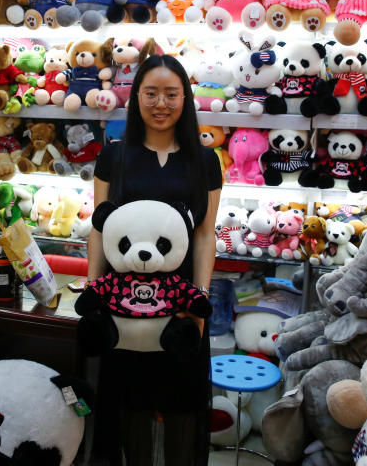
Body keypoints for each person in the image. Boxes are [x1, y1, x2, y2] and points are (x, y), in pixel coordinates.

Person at [88, 53, 222, 466]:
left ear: (185, 98)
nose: (160, 103)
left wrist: (199, 302)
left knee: (184, 404)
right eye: (151, 93)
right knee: (130, 404)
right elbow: (99, 228)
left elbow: (204, 234)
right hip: (122, 301)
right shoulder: (114, 155)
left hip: (183, 303)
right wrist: (94, 294)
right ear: (136, 98)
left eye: (171, 94)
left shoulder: (205, 159)